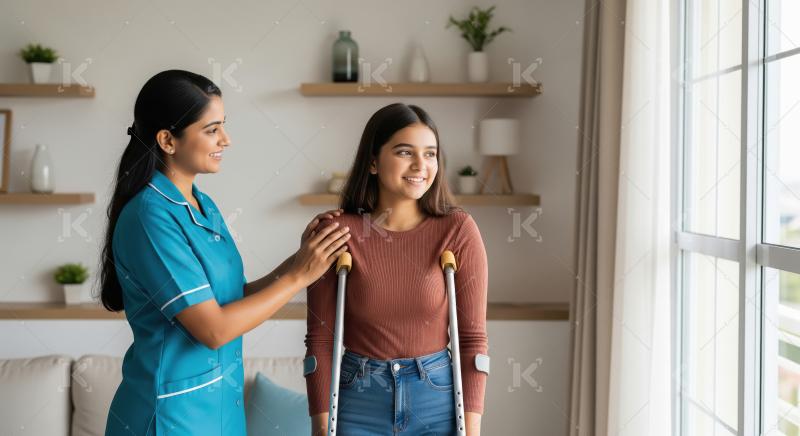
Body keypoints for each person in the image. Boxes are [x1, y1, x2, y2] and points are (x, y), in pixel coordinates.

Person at [100, 70, 350, 435]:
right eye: (211, 129)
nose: (226, 140)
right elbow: (213, 330)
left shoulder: (203, 205)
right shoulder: (149, 217)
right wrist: (299, 276)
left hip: (221, 415)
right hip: (169, 418)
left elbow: (234, 299)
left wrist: (302, 259)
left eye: (223, 126)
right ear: (168, 140)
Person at [304, 103, 489, 435]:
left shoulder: (457, 229)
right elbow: (320, 339)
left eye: (430, 154)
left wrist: (472, 430)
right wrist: (320, 426)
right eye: (406, 152)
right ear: (373, 161)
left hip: (437, 399)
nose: (421, 165)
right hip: (357, 398)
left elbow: (473, 339)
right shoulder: (338, 232)